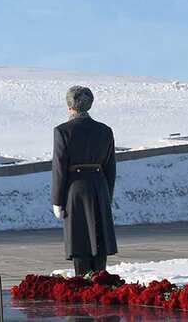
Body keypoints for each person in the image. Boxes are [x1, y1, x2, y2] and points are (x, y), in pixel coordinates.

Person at [51, 86, 118, 276]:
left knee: (79, 239)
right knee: (99, 240)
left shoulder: (63, 131)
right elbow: (110, 167)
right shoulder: (105, 130)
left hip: (76, 189)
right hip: (99, 186)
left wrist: (57, 200)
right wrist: (108, 194)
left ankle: (83, 283)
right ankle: (100, 281)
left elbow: (59, 168)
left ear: (69, 105)